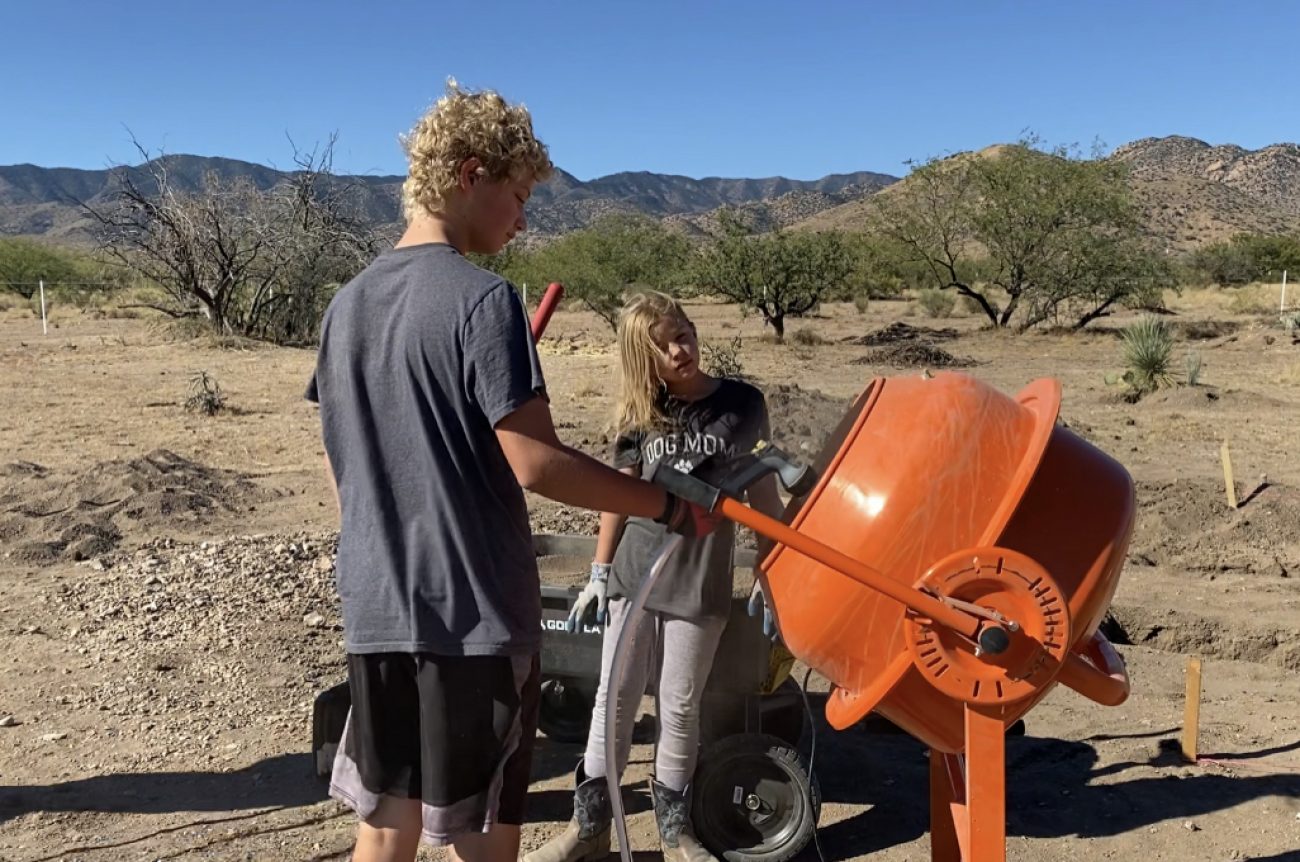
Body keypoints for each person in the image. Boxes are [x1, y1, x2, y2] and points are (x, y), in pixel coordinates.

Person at [306, 83, 717, 862]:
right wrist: (663, 504)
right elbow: (534, 462)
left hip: (376, 605)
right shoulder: (483, 302)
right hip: (475, 618)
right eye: (519, 196)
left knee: (386, 819)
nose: (523, 219)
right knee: (485, 833)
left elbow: (342, 466)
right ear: (470, 174)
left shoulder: (346, 306)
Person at [525, 291, 785, 862]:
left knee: (680, 704)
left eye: (685, 332)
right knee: (613, 701)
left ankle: (675, 834)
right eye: (664, 343)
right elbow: (614, 499)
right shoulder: (640, 415)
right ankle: (588, 830)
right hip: (634, 576)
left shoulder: (742, 405)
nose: (681, 347)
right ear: (643, 357)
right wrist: (598, 571)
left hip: (698, 580)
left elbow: (763, 490)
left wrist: (773, 567)